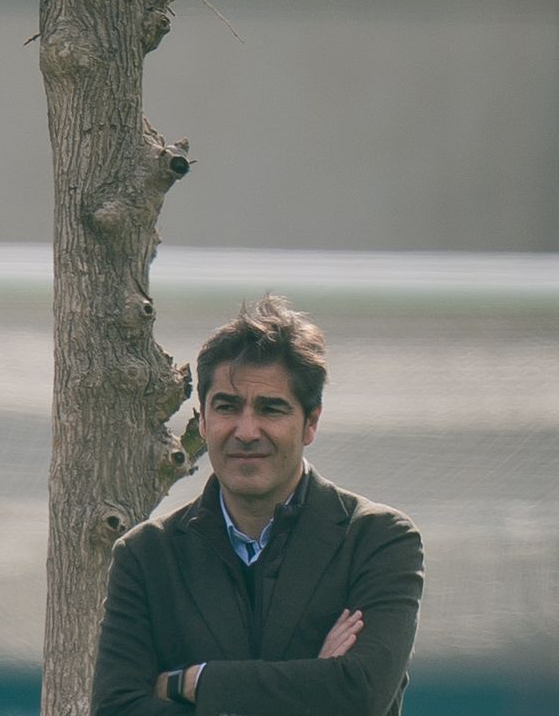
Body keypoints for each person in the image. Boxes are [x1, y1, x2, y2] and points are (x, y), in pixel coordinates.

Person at [91, 295, 425, 715]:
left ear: (311, 423)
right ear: (203, 420)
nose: (246, 431)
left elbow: (359, 693)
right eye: (228, 407)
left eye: (271, 409)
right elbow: (116, 710)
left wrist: (196, 681)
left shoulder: (377, 540)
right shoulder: (145, 557)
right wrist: (312, 686)